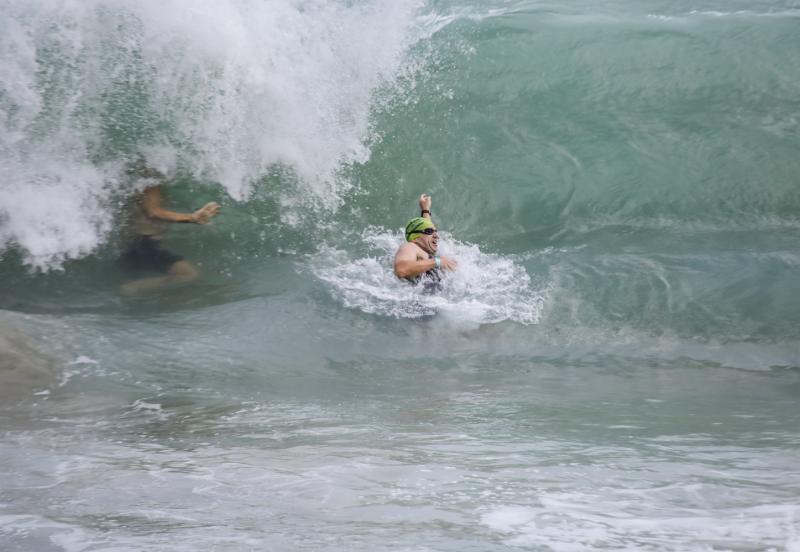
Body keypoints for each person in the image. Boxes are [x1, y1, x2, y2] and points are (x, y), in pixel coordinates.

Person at [119, 165, 220, 295]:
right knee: (188, 275)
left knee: (183, 285)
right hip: (145, 245)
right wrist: (191, 218)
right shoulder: (152, 183)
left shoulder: (143, 182)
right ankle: (131, 288)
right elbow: (153, 212)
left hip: (140, 244)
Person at [394, 194, 457, 289]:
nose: (436, 236)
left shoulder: (424, 250)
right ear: (415, 237)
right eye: (430, 231)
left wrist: (425, 209)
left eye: (436, 231)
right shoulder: (410, 246)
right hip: (424, 297)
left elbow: (425, 229)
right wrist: (438, 261)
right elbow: (401, 270)